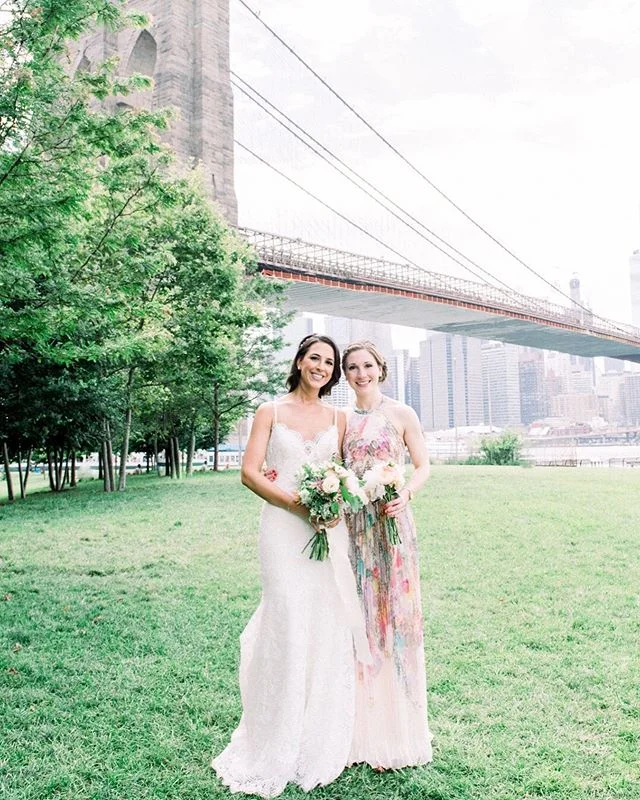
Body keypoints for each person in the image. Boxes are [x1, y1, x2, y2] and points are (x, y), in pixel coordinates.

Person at [212, 334, 370, 798]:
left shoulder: (340, 418)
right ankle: (273, 738)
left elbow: (349, 472)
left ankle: (317, 736)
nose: (321, 366)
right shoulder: (271, 412)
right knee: (287, 618)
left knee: (325, 623)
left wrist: (339, 500)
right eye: (314, 358)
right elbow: (250, 472)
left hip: (328, 530)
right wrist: (300, 506)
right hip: (283, 529)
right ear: (299, 362)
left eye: (329, 362)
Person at [341, 339, 433, 770]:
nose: (361, 373)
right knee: (358, 623)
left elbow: (423, 464)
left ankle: (397, 729)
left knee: (394, 621)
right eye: (353, 367)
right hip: (353, 529)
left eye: (368, 366)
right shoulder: (340, 419)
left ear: (381, 368)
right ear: (345, 374)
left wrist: (407, 495)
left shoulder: (401, 414)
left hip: (392, 527)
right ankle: (359, 729)